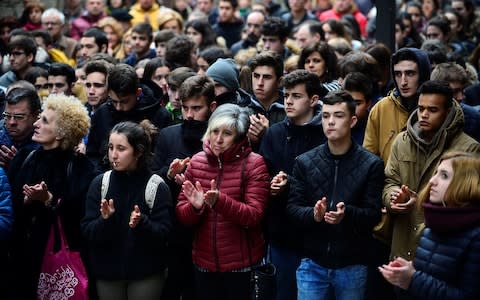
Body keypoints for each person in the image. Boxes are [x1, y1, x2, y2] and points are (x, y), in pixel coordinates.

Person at [286, 90, 384, 300]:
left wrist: (346, 214)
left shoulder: (371, 164)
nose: (330, 122)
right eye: (326, 116)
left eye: (338, 116)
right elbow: (293, 209)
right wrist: (314, 214)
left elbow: (374, 214)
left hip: (352, 263)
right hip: (312, 262)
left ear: (353, 120)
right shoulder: (304, 161)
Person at [176, 103, 270, 300]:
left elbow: (254, 215)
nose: (218, 139)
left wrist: (220, 201)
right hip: (204, 264)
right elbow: (183, 217)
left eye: (226, 133)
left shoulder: (254, 163)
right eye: (214, 131)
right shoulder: (197, 161)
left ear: (239, 136)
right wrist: (195, 207)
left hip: (242, 266)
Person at [7, 94, 96, 300]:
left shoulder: (81, 167)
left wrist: (48, 200)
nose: (36, 124)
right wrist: (28, 201)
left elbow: (80, 219)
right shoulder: (24, 157)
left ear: (61, 133)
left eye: (44, 120)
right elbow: (11, 204)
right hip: (22, 256)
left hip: (57, 257)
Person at [383, 80, 480, 264]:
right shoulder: (401, 141)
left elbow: (468, 201)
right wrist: (394, 197)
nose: (424, 115)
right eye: (421, 109)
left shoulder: (469, 149)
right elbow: (390, 181)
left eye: (432, 110)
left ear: (448, 112)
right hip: (402, 249)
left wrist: (422, 201)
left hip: (443, 252)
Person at [82, 120, 172, 300]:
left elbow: (165, 234)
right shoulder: (101, 183)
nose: (113, 155)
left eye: (121, 149)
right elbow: (87, 230)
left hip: (146, 273)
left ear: (138, 152)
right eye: (110, 147)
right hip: (108, 272)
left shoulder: (156, 186)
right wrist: (104, 220)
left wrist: (142, 223)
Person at [259, 70, 326, 300]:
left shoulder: (326, 133)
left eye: (296, 96)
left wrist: (290, 183)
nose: (288, 101)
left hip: (316, 236)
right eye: (286, 95)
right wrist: (272, 184)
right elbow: (262, 175)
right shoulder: (274, 133)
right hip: (281, 234)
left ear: (313, 100)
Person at [379, 151, 480, 300]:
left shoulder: (476, 237)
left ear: (465, 183)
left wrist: (412, 279)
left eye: (444, 175)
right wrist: (402, 277)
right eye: (436, 173)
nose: (432, 180)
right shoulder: (431, 226)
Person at [152, 75, 217, 300]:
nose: (189, 115)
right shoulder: (169, 135)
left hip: (211, 231)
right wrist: (169, 174)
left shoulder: (220, 138)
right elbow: (152, 179)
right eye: (185, 108)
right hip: (175, 233)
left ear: (212, 107)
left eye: (196, 108)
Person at [86, 63, 171, 172]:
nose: (118, 107)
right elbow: (93, 153)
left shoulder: (158, 115)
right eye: (114, 101)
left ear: (138, 93)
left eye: (124, 101)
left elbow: (161, 157)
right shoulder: (102, 113)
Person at [363, 47, 431, 163]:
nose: (403, 81)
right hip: (388, 179)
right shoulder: (381, 108)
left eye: (410, 73)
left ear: (423, 74)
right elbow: (369, 158)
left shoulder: (437, 108)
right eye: (398, 74)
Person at [247, 51, 285, 146]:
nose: (260, 83)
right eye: (256, 76)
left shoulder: (290, 111)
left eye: (267, 77)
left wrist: (267, 134)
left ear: (279, 81)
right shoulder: (242, 111)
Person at [0, 87, 40, 169]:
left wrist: (20, 166)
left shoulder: (46, 145)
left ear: (36, 115)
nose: (12, 122)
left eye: (19, 117)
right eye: (7, 116)